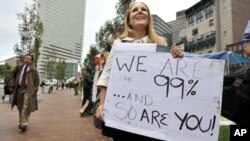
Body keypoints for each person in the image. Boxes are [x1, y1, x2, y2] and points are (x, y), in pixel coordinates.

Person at [95, 2, 183, 141]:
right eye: (135, 10)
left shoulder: (161, 44)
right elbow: (106, 76)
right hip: (124, 115)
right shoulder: (119, 44)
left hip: (152, 117)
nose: (140, 12)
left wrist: (177, 57)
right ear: (129, 19)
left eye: (144, 10)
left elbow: (170, 77)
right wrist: (102, 103)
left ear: (149, 18)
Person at [7, 54, 39, 132]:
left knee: (26, 106)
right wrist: (11, 84)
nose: (27, 60)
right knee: (20, 107)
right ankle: (22, 123)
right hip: (19, 90)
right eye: (26, 58)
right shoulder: (19, 67)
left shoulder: (34, 70)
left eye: (29, 59)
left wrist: (34, 89)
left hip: (28, 90)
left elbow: (37, 81)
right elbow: (11, 75)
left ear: (31, 61)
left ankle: (24, 123)